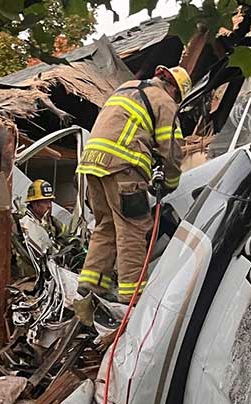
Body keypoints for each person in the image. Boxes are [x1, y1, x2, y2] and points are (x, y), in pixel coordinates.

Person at [73, 65, 190, 324]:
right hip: (123, 165)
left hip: (92, 164)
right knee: (133, 228)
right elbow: (171, 149)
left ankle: (89, 287)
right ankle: (132, 298)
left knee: (106, 226)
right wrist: (170, 181)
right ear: (174, 89)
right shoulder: (164, 101)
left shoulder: (124, 89)